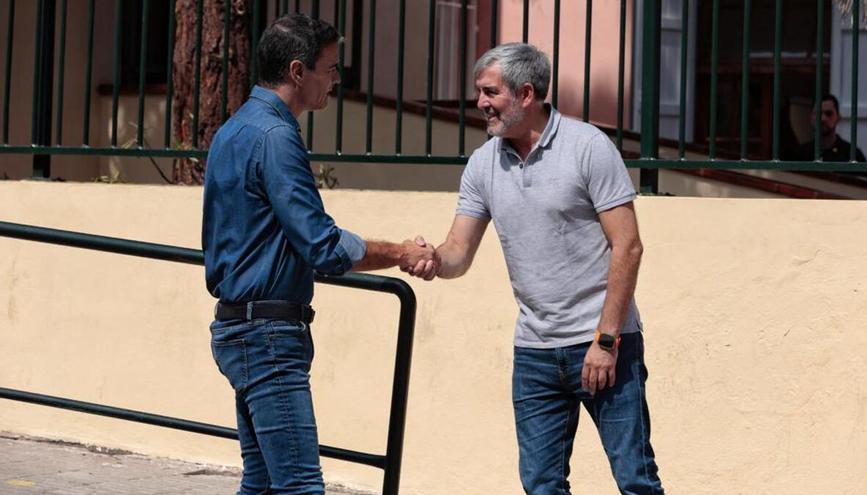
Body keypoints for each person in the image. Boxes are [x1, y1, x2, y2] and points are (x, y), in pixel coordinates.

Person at [412, 43, 664, 494]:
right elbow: (457, 252)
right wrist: (432, 259)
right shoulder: (482, 164)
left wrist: (606, 341)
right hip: (535, 353)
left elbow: (628, 247)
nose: (480, 103)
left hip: (605, 343)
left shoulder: (587, 147)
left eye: (490, 92)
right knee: (541, 486)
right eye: (479, 92)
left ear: (526, 94)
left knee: (635, 480)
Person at [202, 14, 436, 495]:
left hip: (240, 328)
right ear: (296, 71)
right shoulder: (275, 137)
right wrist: (399, 252)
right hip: (267, 336)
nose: (336, 79)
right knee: (300, 485)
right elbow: (322, 245)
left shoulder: (233, 131)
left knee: (264, 483)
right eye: (330, 68)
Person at [793, 93, 867, 176]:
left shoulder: (853, 156)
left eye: (829, 113)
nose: (823, 119)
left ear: (838, 118)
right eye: (818, 113)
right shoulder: (800, 155)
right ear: (811, 117)